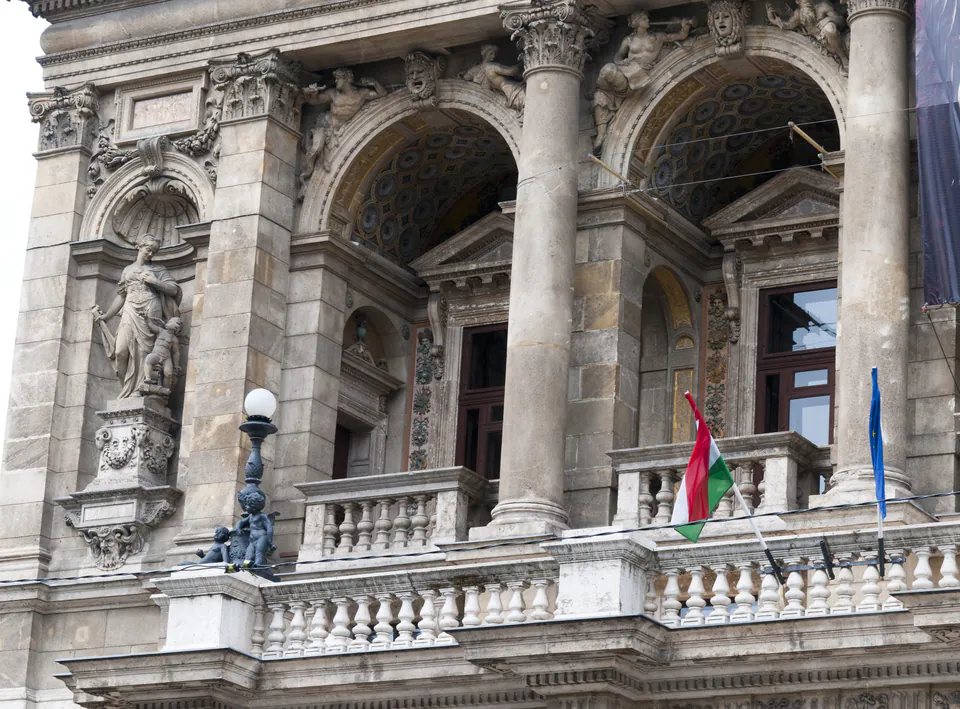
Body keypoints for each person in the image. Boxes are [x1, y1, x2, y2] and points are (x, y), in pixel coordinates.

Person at [92, 233, 182, 399]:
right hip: (130, 309)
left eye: (154, 251)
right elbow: (121, 296)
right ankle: (126, 390)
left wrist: (155, 282)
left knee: (144, 351)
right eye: (148, 249)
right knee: (121, 351)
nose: (150, 254)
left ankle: (141, 390)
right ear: (139, 247)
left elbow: (174, 290)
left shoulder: (159, 270)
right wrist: (107, 316)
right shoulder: (127, 270)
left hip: (150, 309)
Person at [593, 12, 695, 148]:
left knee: (606, 77)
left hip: (641, 74)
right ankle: (603, 89)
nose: (647, 20)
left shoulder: (657, 37)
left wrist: (685, 27)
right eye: (644, 18)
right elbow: (618, 56)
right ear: (636, 22)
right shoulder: (628, 40)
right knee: (606, 71)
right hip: (627, 70)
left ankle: (605, 89)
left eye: (647, 18)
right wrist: (622, 61)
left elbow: (680, 36)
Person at [299, 68, 388, 198]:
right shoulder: (333, 93)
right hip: (326, 124)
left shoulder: (361, 93)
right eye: (335, 78)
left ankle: (317, 169)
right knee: (316, 148)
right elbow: (315, 100)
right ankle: (306, 177)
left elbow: (383, 93)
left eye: (338, 78)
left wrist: (374, 82)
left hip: (344, 127)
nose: (336, 81)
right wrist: (312, 92)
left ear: (347, 79)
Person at [460, 45, 525, 112]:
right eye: (491, 53)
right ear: (485, 54)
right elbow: (512, 71)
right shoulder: (490, 66)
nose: (493, 56)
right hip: (510, 88)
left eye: (495, 54)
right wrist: (523, 62)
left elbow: (465, 77)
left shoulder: (479, 69)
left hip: (506, 90)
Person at [141, 315, 183, 391]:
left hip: (166, 358)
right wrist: (146, 318)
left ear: (176, 327)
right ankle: (148, 378)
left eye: (171, 321)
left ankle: (166, 389)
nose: (169, 322)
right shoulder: (161, 331)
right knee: (149, 359)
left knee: (169, 373)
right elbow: (151, 325)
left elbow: (176, 352)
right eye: (170, 321)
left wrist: (176, 365)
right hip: (156, 354)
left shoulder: (174, 339)